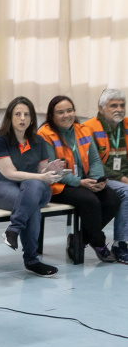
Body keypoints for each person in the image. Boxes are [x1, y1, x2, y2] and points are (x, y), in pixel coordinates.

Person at [0, 97, 64, 276]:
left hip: (36, 189)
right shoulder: (1, 141)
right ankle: (31, 260)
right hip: (2, 187)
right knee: (31, 204)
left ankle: (13, 230)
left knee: (32, 188)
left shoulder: (38, 141)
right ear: (10, 117)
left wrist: (49, 169)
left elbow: (41, 172)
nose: (22, 118)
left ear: (31, 119)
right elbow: (10, 173)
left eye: (26, 114)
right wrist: (40, 175)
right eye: (18, 114)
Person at [38, 95, 119, 263]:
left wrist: (96, 181)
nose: (66, 115)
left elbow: (95, 159)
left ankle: (79, 240)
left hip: (82, 183)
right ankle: (99, 243)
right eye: (60, 112)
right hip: (57, 185)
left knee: (112, 199)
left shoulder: (82, 130)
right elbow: (53, 170)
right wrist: (79, 182)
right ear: (51, 116)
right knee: (90, 201)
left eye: (69, 110)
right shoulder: (45, 134)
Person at [83, 89, 128, 263]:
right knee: (126, 191)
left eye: (122, 105)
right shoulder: (88, 128)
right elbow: (91, 163)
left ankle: (82, 237)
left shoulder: (126, 125)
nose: (119, 109)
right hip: (100, 178)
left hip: (123, 177)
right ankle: (120, 244)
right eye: (113, 105)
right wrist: (122, 178)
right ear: (101, 109)